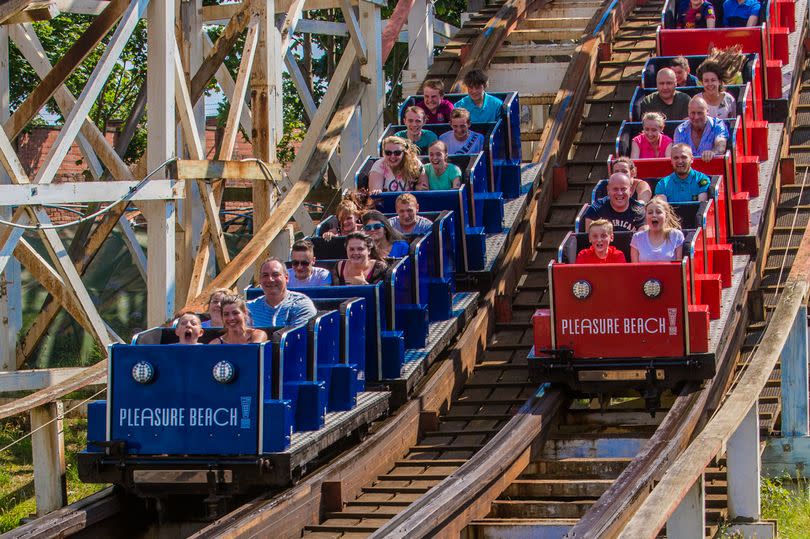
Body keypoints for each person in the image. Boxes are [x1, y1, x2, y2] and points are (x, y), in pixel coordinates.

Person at [247, 258, 317, 327]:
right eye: (265, 275)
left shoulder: (300, 304)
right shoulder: (249, 308)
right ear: (260, 280)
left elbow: (297, 336)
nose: (270, 279)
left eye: (275, 274)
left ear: (286, 278)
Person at [673, 96, 728, 162]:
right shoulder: (680, 130)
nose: (696, 117)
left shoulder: (718, 124)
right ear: (688, 112)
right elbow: (678, 155)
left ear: (707, 111)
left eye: (700, 113)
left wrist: (713, 152)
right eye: (693, 113)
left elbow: (721, 146)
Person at [631, 197, 685, 262]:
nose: (654, 215)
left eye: (658, 212)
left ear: (666, 216)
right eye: (650, 212)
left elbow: (679, 267)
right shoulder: (637, 238)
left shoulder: (676, 235)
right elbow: (635, 268)